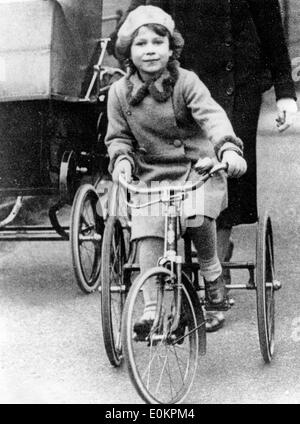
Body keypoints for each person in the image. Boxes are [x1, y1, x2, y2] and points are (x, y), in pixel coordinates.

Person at [108, 0, 298, 331]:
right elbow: (141, 12)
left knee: (221, 175)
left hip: (236, 78)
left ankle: (215, 271)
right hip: (174, 73)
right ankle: (158, 290)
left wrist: (285, 92)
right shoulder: (132, 80)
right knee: (156, 202)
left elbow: (268, 20)